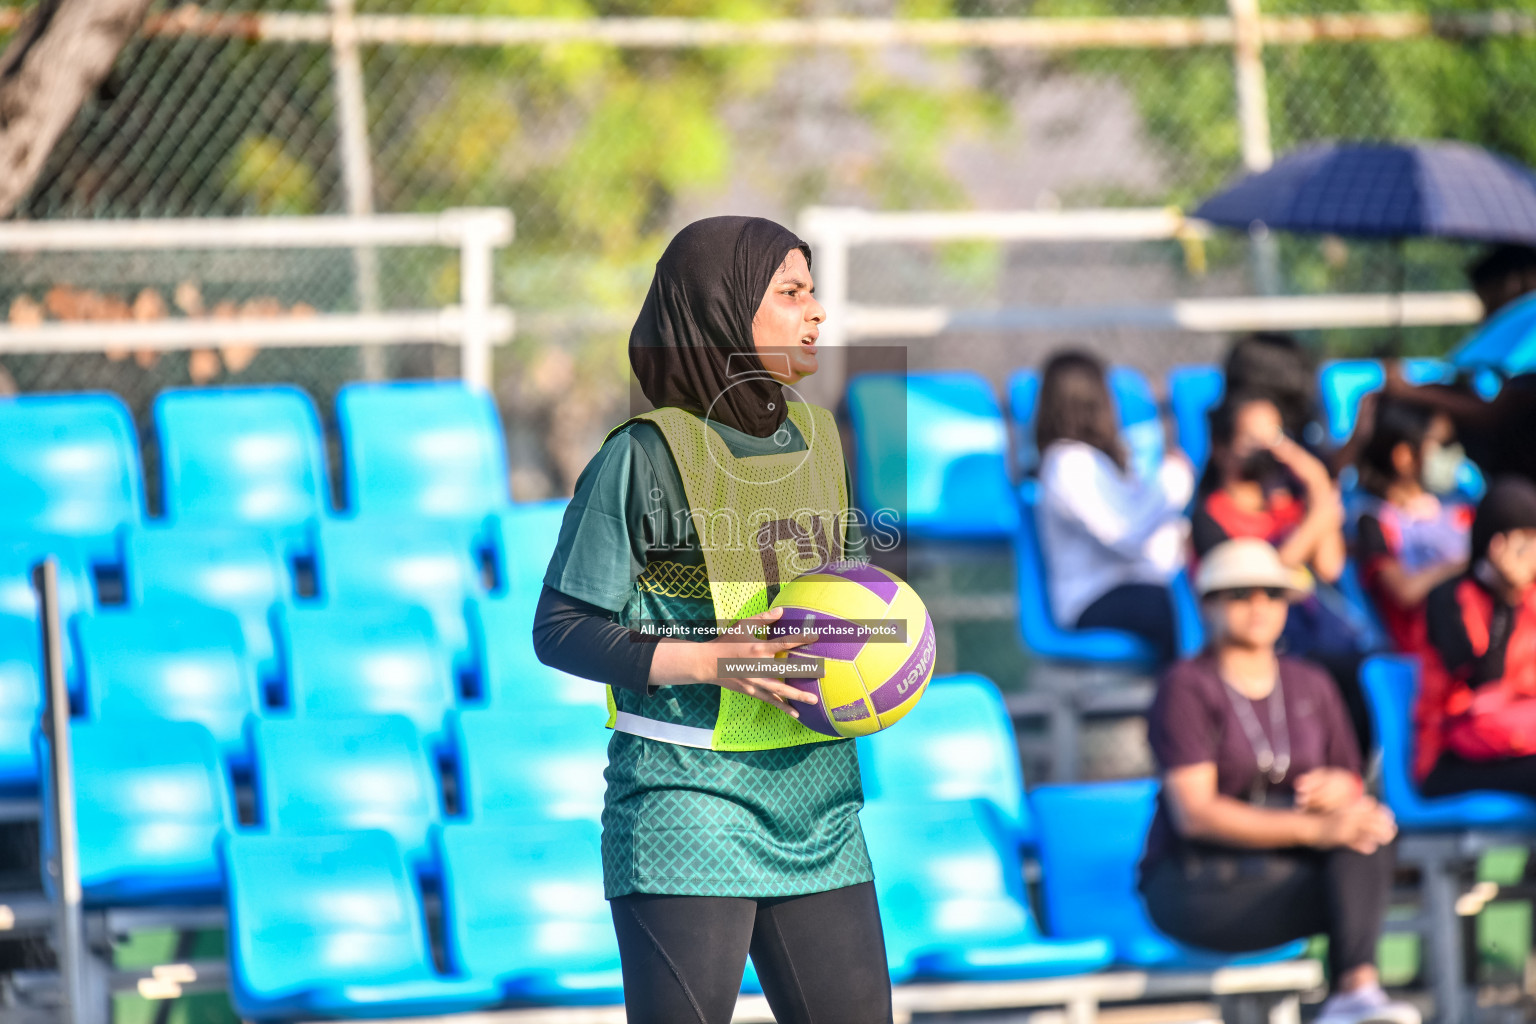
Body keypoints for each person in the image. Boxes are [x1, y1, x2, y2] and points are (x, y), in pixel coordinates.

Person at [530, 216, 891, 1024]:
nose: (817, 312)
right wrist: (714, 660)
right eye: (791, 293)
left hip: (820, 800)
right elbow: (558, 627)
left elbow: (846, 587)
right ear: (720, 312)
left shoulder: (819, 436)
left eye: (813, 291)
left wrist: (884, 642)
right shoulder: (644, 454)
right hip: (686, 799)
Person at [1140, 539, 1418, 1024]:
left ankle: (1355, 993)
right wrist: (1313, 829)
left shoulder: (1311, 681)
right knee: (1349, 844)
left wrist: (1343, 789)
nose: (1259, 606)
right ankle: (1349, 995)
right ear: (1209, 604)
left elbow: (1348, 781)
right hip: (1202, 884)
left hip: (1286, 871)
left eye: (1272, 593)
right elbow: (1196, 813)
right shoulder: (1186, 685)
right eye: (1240, 594)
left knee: (1368, 828)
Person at [1033, 349, 1193, 668]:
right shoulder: (1067, 465)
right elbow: (1127, 535)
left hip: (1138, 584)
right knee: (1168, 608)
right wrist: (1173, 482)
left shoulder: (1102, 465)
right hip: (1091, 600)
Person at [1415, 477, 1536, 799]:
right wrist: (1507, 600)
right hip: (1449, 755)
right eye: (1524, 542)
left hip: (1518, 740)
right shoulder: (1448, 598)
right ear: (1495, 543)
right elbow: (1482, 681)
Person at [1353, 397, 1471, 659]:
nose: (1451, 455)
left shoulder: (1463, 507)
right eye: (1439, 445)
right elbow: (1404, 591)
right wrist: (1467, 562)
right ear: (1404, 456)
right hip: (1425, 657)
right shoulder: (1374, 521)